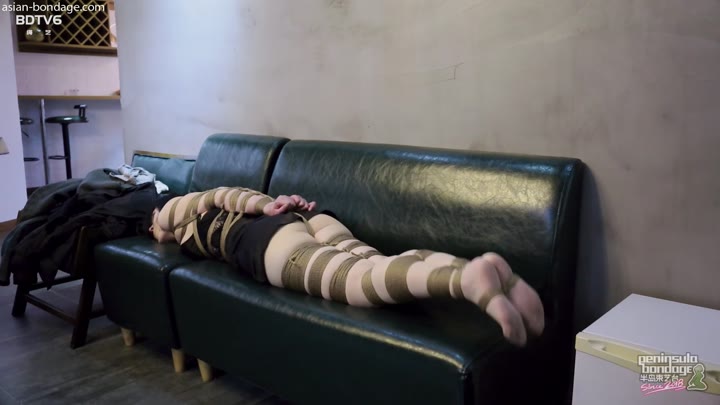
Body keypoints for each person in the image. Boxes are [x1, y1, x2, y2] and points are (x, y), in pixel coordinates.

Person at [148, 186, 544, 347]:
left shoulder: (171, 211)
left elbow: (224, 193)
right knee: (379, 265)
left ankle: (465, 280)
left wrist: (264, 207)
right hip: (310, 221)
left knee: (358, 282)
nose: (154, 232)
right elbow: (235, 195)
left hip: (267, 241)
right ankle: (479, 269)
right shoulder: (187, 228)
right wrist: (274, 205)